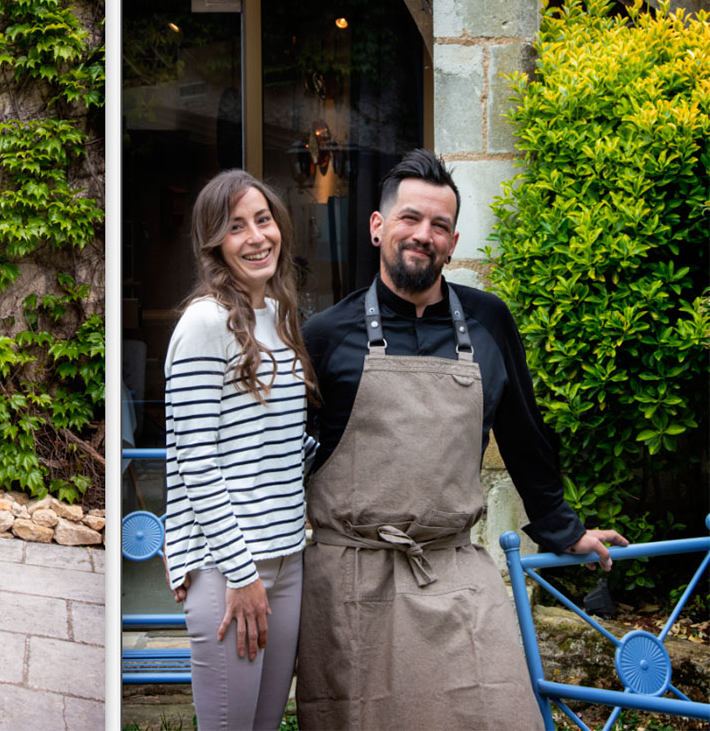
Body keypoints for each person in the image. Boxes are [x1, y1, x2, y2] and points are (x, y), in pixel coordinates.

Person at [296, 149, 627, 730]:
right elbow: (283, 458)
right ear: (378, 227)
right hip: (350, 577)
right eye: (410, 218)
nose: (424, 235)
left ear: (452, 242)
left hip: (451, 566)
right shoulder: (325, 336)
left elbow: (524, 434)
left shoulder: (489, 321)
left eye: (440, 226)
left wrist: (562, 529)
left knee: (500, 711)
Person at [163, 169, 319, 731]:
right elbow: (196, 462)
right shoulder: (204, 324)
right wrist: (242, 572)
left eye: (264, 219)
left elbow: (275, 446)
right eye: (236, 227)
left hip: (287, 558)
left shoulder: (277, 316)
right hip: (230, 569)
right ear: (215, 245)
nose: (257, 236)